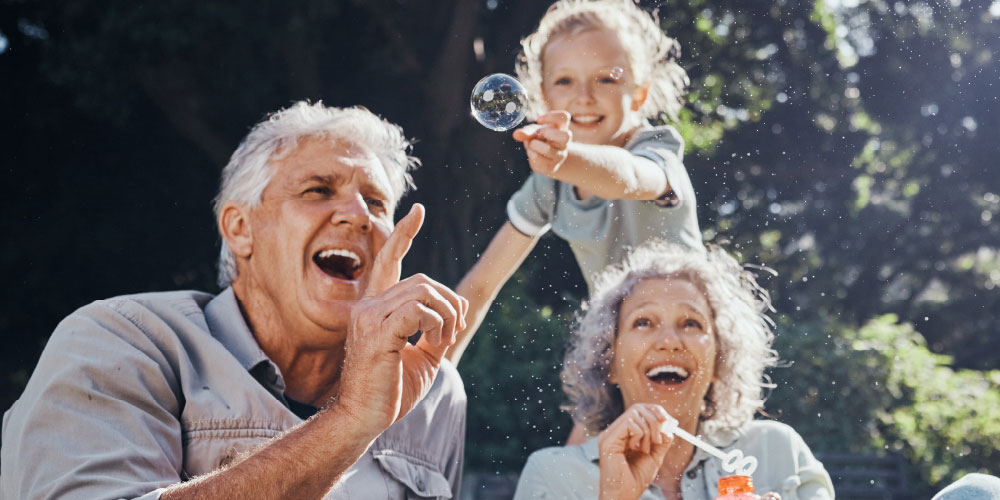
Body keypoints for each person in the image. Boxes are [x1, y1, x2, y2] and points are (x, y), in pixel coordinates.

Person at [1, 101, 469, 500]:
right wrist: (348, 423)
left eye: (377, 202)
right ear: (240, 229)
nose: (358, 216)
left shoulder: (434, 390)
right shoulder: (122, 341)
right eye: (318, 190)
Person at [448, 0, 702, 365]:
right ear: (544, 97)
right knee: (591, 419)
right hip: (623, 348)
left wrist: (568, 161)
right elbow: (481, 285)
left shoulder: (656, 151)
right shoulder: (549, 185)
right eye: (565, 80)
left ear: (640, 93)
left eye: (606, 78)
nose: (584, 96)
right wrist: (433, 365)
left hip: (691, 337)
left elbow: (628, 177)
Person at [513, 241, 835, 500]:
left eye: (690, 323)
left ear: (717, 364)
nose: (669, 341)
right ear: (609, 362)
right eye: (644, 322)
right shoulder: (552, 477)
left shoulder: (779, 453)